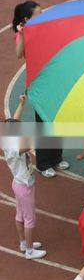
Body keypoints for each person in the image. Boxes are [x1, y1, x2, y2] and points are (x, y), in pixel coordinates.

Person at [12, 0, 69, 178]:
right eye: (39, 13)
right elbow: (19, 54)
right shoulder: (23, 34)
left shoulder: (46, 28)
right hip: (39, 84)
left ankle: (56, 157)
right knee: (43, 123)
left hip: (54, 80)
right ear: (27, 19)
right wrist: (21, 33)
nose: (43, 15)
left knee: (57, 120)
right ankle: (44, 163)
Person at [3, 95, 47, 260]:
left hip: (19, 183)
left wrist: (21, 104)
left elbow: (14, 120)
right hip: (24, 187)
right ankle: (29, 250)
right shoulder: (15, 147)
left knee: (20, 215)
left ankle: (23, 243)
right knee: (29, 219)